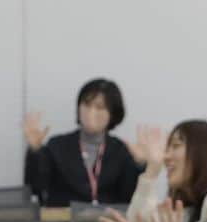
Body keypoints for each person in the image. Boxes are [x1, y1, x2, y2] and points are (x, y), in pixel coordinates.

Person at [23, 78, 142, 207]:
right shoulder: (57, 145)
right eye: (86, 105)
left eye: (99, 107)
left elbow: (130, 198)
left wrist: (140, 164)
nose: (91, 112)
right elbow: (36, 190)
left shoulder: (120, 150)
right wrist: (35, 150)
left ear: (112, 114)